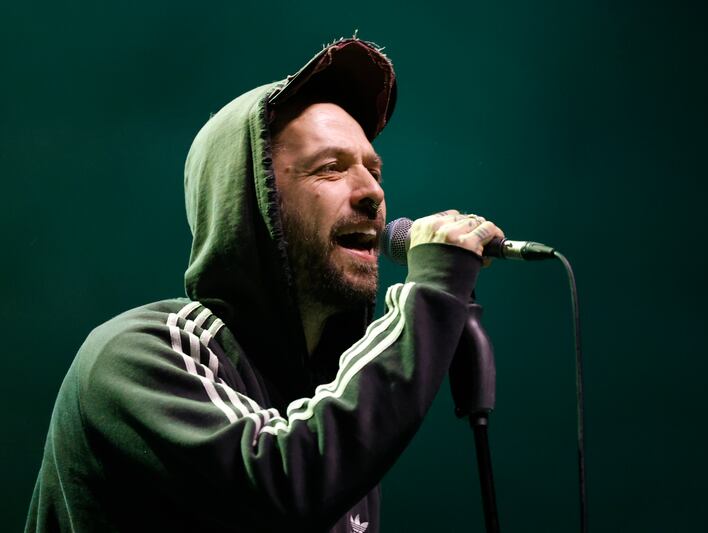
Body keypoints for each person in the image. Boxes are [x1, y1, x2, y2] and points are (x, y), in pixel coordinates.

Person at [26, 38, 504, 532]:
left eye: (375, 170)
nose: (373, 194)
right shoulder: (133, 358)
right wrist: (432, 293)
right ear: (255, 204)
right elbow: (282, 486)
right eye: (332, 168)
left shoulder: (335, 407)